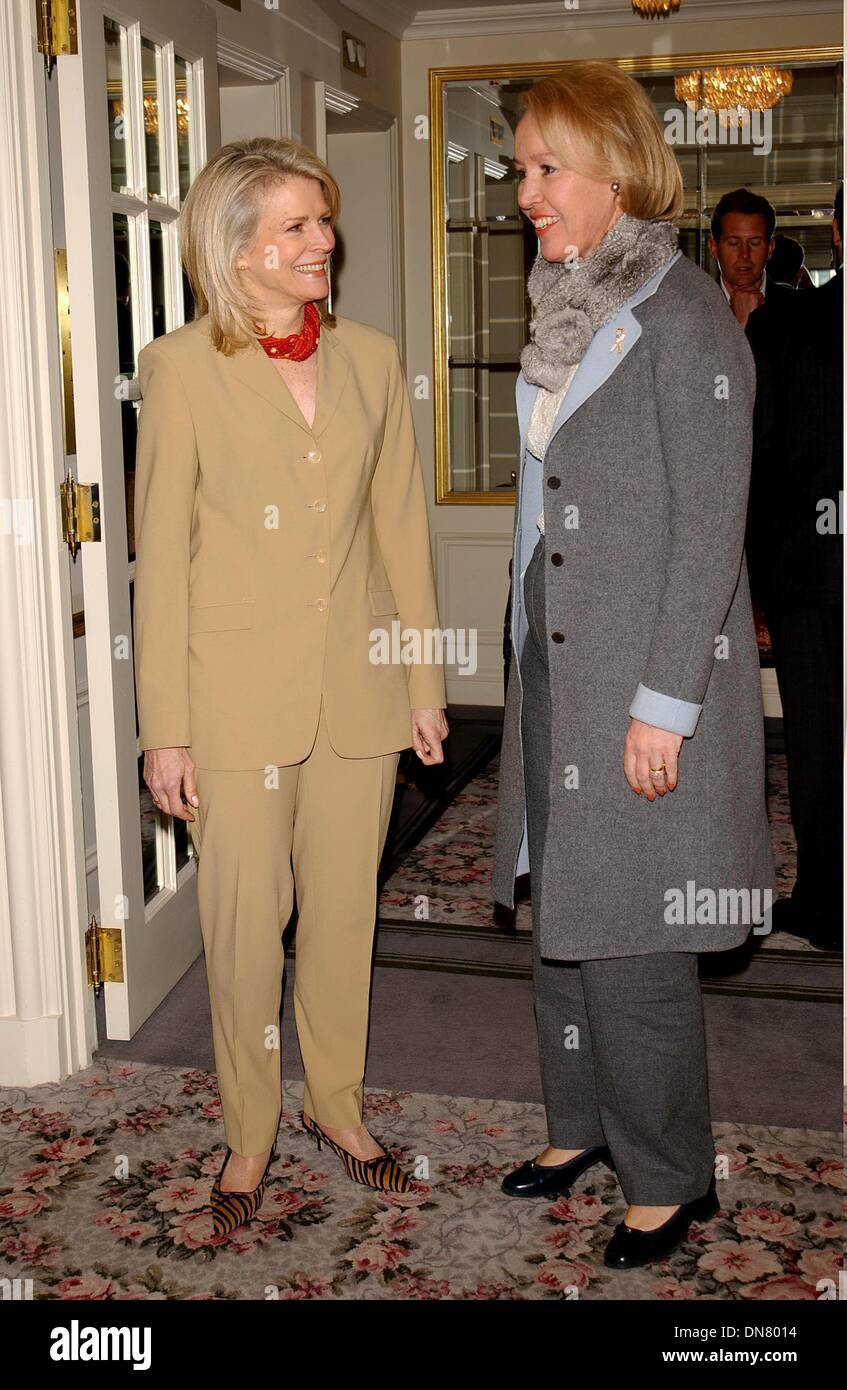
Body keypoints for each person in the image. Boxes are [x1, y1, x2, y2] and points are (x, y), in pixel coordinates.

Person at [133, 137, 448, 1237]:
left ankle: (340, 1107)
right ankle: (251, 1129)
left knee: (342, 917)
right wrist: (163, 729)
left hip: (358, 694)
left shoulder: (369, 357)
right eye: (298, 226)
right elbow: (161, 559)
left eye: (325, 221)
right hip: (231, 702)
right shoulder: (178, 369)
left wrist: (422, 676)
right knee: (242, 920)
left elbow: (399, 528)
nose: (324, 241)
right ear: (238, 246)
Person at [491, 62, 776, 1270]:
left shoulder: (684, 317)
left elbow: (710, 527)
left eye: (546, 169)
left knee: (636, 930)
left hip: (648, 679)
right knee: (564, 910)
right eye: (519, 168)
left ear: (616, 175)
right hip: (555, 658)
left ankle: (668, 1177)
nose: (525, 193)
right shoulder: (567, 301)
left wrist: (667, 706)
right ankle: (579, 1128)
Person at [744, 183, 843, 951]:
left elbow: (760, 464)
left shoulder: (786, 324)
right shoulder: (782, 323)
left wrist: (754, 582)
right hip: (807, 578)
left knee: (817, 741)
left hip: (807, 578)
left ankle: (826, 905)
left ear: (835, 231)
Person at [708, 187, 794, 330]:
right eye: (734, 243)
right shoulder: (692, 309)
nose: (744, 254)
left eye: (754, 243)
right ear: (714, 248)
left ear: (770, 249)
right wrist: (742, 326)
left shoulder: (800, 310)